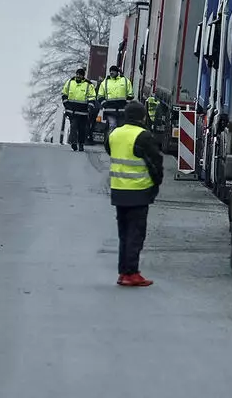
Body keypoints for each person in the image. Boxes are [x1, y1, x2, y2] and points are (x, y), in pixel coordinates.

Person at [104, 101, 163, 287]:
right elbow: (155, 163)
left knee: (124, 234)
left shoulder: (114, 134)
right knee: (135, 234)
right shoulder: (143, 136)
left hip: (118, 191)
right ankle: (132, 273)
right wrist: (156, 183)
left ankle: (123, 272)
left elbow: (109, 150)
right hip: (138, 191)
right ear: (143, 117)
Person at [61, 67, 96, 151]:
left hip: (83, 112)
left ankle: (81, 143)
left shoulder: (89, 85)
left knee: (82, 129)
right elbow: (64, 94)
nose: (78, 76)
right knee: (73, 126)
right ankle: (73, 143)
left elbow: (92, 97)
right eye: (77, 74)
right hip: (72, 111)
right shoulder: (70, 82)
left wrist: (90, 107)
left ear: (83, 76)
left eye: (79, 74)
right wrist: (66, 105)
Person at [98, 65, 135, 132]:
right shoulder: (105, 83)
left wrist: (126, 104)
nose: (111, 72)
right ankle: (111, 141)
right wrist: (105, 104)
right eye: (110, 71)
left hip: (122, 110)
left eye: (113, 71)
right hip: (110, 110)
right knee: (112, 126)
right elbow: (100, 96)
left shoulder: (125, 81)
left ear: (117, 72)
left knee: (121, 128)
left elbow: (131, 95)